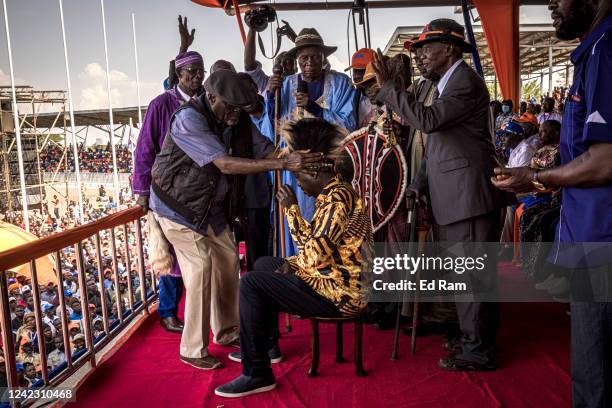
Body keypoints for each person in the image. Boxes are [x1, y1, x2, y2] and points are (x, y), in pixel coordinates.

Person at [150, 69, 322, 370]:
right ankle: (192, 348)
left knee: (229, 260)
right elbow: (225, 164)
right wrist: (282, 163)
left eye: (238, 108)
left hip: (211, 209)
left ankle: (227, 330)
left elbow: (266, 149)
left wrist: (296, 156)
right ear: (211, 97)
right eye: (228, 106)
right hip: (176, 207)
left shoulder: (236, 118)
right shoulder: (189, 118)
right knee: (202, 265)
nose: (233, 113)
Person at [372, 18, 512, 371]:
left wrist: (389, 87)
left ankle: (478, 350)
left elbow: (428, 121)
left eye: (425, 48)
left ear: (449, 49)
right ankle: (473, 338)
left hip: (468, 196)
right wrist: (419, 182)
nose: (419, 55)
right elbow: (436, 146)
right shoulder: (444, 84)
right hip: (454, 196)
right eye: (417, 50)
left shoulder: (464, 82)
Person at [493, 1, 612, 406]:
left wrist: (535, 177)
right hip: (588, 232)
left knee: (596, 374)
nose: (549, 4)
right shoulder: (592, 50)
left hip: (602, 242)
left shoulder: (606, 50)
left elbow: (605, 161)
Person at [214, 118, 373, 398]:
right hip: (331, 278)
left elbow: (312, 257)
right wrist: (294, 261)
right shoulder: (333, 193)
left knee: (251, 283)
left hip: (340, 294)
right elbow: (314, 247)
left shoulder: (336, 200)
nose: (298, 185)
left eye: (299, 178)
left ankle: (257, 373)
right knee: (264, 264)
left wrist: (291, 211)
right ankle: (267, 346)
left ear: (313, 172)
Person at [256, 27, 359, 258]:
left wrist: (313, 107)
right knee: (296, 214)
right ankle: (297, 269)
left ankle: (328, 273)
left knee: (330, 220)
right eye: (304, 58)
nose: (309, 62)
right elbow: (271, 128)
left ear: (323, 58)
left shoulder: (340, 83)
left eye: (314, 57)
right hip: (295, 168)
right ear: (297, 60)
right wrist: (272, 97)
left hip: (330, 168)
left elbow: (350, 124)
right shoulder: (286, 84)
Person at [132, 19, 202, 334]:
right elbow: (144, 148)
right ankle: (168, 311)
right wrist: (142, 191)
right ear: (180, 76)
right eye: (191, 73)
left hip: (198, 190)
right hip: (167, 190)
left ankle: (199, 310)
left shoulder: (204, 104)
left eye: (201, 73)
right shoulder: (162, 104)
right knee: (170, 253)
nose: (197, 78)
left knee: (197, 251)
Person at [244, 26, 297, 94]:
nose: (282, 66)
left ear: (296, 69)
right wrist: (252, 27)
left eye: (288, 63)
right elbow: (249, 65)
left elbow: (313, 55)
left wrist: (297, 40)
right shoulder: (266, 82)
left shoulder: (303, 82)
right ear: (273, 67)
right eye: (278, 62)